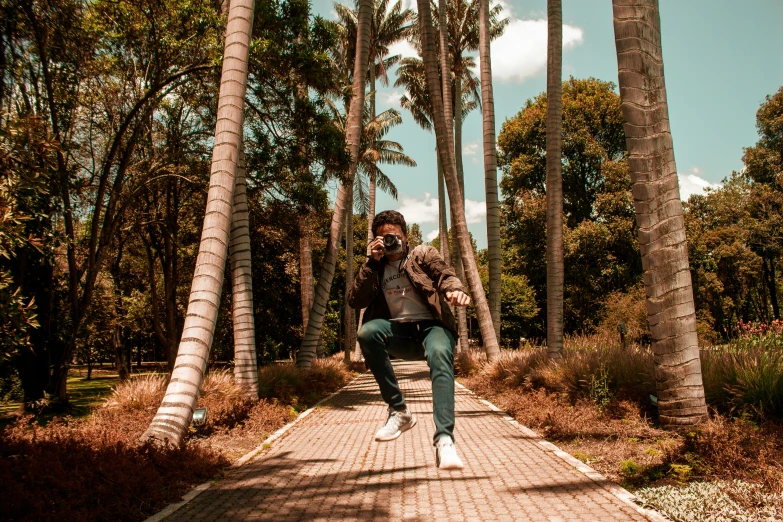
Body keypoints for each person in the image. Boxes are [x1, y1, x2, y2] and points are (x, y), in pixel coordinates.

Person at [347, 210, 470, 470]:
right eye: (384, 238)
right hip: (399, 332)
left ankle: (445, 440)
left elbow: (443, 273)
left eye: (395, 236)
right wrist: (371, 263)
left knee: (438, 355)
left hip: (432, 327)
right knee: (366, 333)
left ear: (405, 236)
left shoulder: (422, 254)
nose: (391, 242)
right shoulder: (375, 268)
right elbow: (355, 301)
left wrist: (455, 290)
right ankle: (399, 411)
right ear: (375, 240)